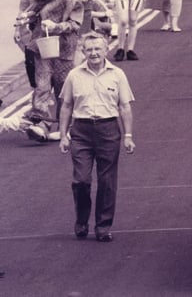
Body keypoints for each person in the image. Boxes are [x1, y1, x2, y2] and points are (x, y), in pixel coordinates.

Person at [58, 31, 136, 242]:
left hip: (108, 129)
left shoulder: (117, 74)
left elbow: (124, 106)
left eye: (97, 49)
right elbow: (66, 106)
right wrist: (63, 135)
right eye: (89, 49)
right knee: (81, 180)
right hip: (81, 131)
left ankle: (103, 226)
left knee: (107, 181)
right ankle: (81, 220)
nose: (93, 53)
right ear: (83, 51)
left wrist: (128, 135)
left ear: (106, 50)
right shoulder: (74, 75)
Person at [17, 0, 84, 143]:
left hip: (64, 51)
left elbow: (76, 24)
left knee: (63, 88)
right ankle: (41, 124)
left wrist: (57, 26)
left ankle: (66, 127)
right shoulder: (40, 0)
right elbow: (33, 12)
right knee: (43, 86)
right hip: (43, 48)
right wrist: (26, 17)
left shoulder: (69, 0)